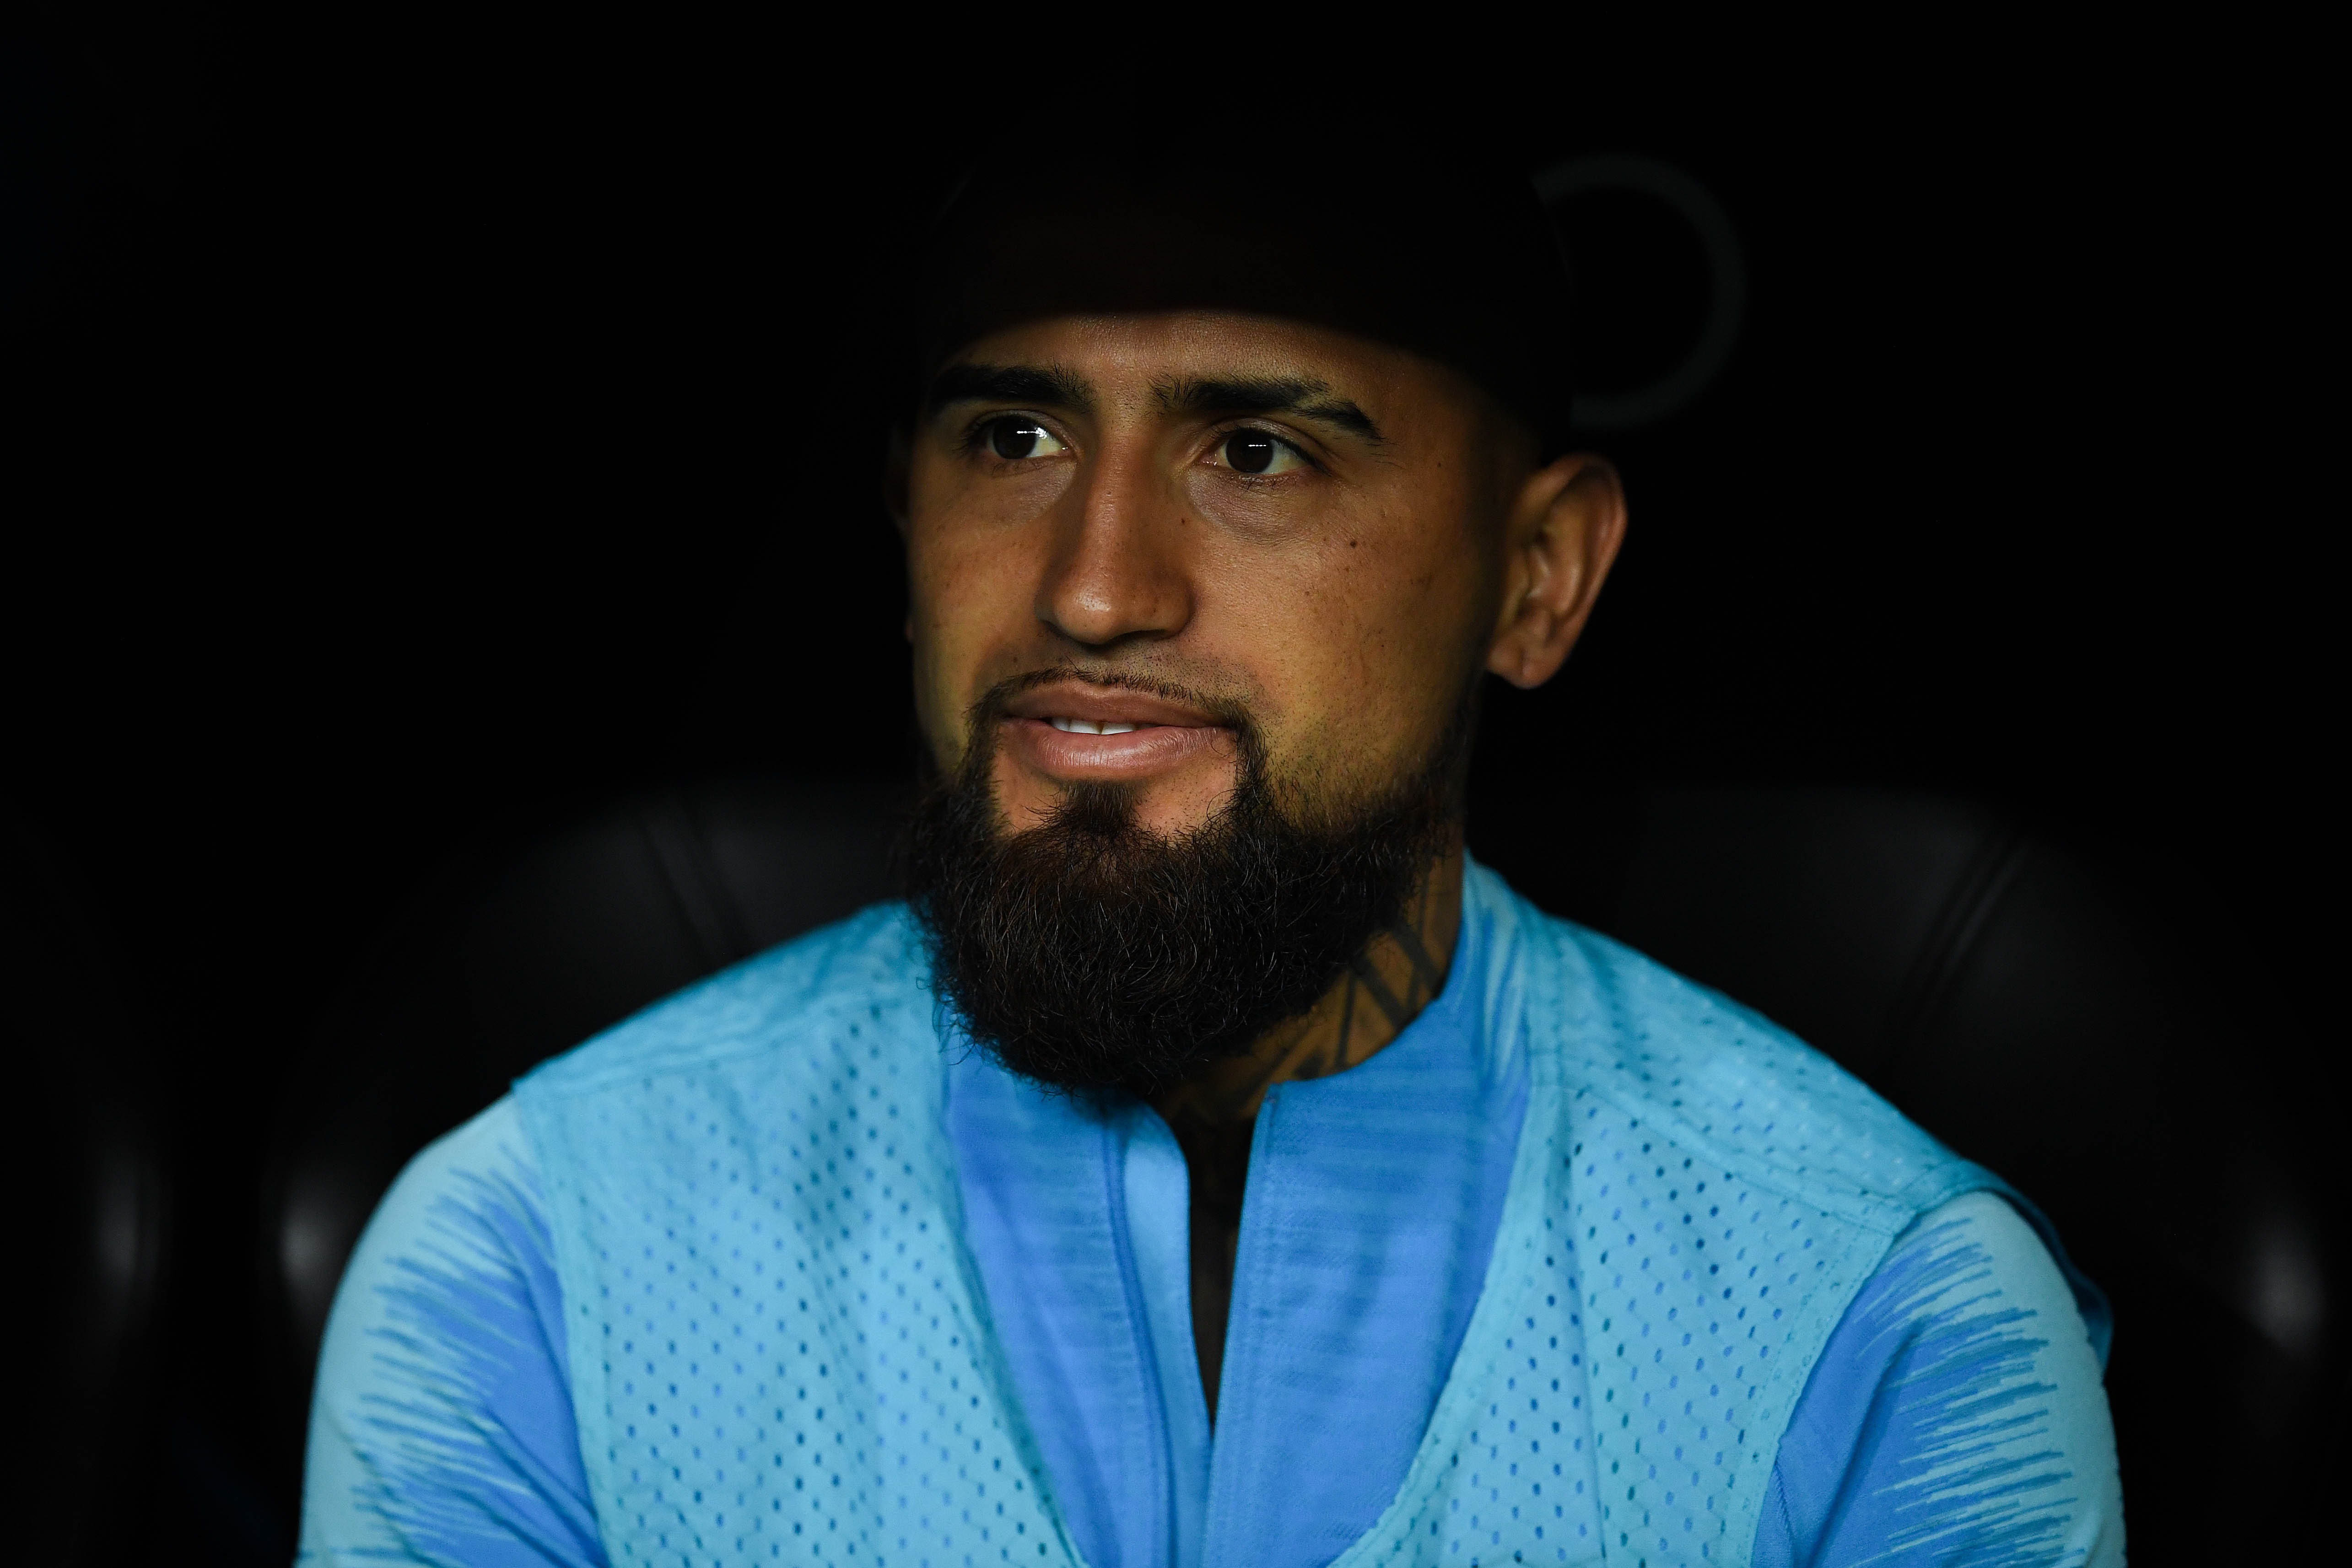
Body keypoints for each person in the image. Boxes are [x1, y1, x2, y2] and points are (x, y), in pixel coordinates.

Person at [298, 121, 2124, 1567]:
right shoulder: (537, 1266)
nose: (1092, 583)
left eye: (1256, 451)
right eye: (1010, 434)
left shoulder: (1886, 1321)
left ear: (1538, 572)